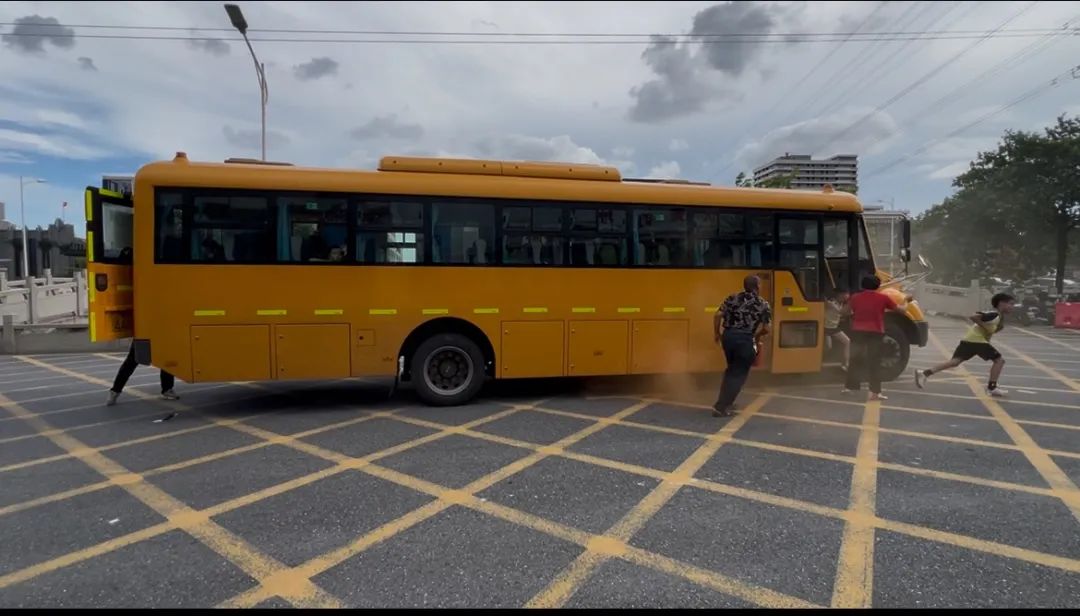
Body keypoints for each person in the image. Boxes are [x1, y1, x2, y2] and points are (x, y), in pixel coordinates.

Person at [915, 292, 1015, 397]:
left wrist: (993, 329)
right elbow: (973, 317)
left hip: (969, 340)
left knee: (955, 362)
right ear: (1001, 303)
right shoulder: (994, 314)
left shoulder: (998, 317)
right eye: (1011, 304)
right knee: (999, 360)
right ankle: (992, 387)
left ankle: (924, 373)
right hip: (977, 341)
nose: (1012, 307)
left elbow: (990, 330)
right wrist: (985, 326)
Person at [712, 274, 772, 417]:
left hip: (728, 337)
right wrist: (756, 336)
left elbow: (717, 315)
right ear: (757, 286)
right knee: (738, 374)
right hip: (745, 340)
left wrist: (717, 333)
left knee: (732, 370)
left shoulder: (732, 298)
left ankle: (726, 402)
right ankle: (721, 406)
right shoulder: (763, 304)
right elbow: (767, 329)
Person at [844, 275, 910, 401]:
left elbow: (844, 312)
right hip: (876, 332)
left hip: (858, 331)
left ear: (863, 285)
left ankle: (850, 388)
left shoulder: (855, 297)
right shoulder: (883, 298)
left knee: (855, 359)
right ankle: (875, 392)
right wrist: (906, 301)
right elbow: (902, 311)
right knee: (874, 362)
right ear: (877, 286)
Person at [107, 341, 179, 406]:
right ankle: (115, 390)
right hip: (143, 333)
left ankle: (167, 389)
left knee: (167, 358)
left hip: (161, 334)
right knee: (131, 361)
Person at [825, 289, 851, 371]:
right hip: (825, 327)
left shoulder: (842, 303)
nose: (847, 296)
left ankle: (846, 363)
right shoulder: (831, 302)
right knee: (828, 347)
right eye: (846, 294)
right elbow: (840, 312)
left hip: (834, 327)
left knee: (847, 342)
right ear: (840, 295)